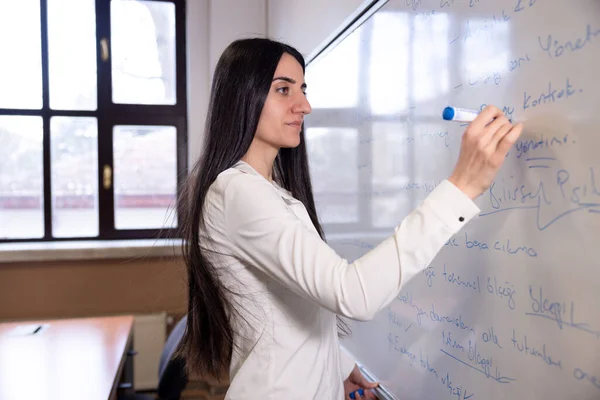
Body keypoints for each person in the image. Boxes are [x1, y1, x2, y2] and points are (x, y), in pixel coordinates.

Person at [177, 38, 523, 399]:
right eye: (283, 89)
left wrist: (337, 368)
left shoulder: (269, 191)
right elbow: (352, 294)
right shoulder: (239, 193)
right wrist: (461, 187)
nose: (305, 106)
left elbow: (286, 309)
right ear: (242, 97)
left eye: (303, 89)